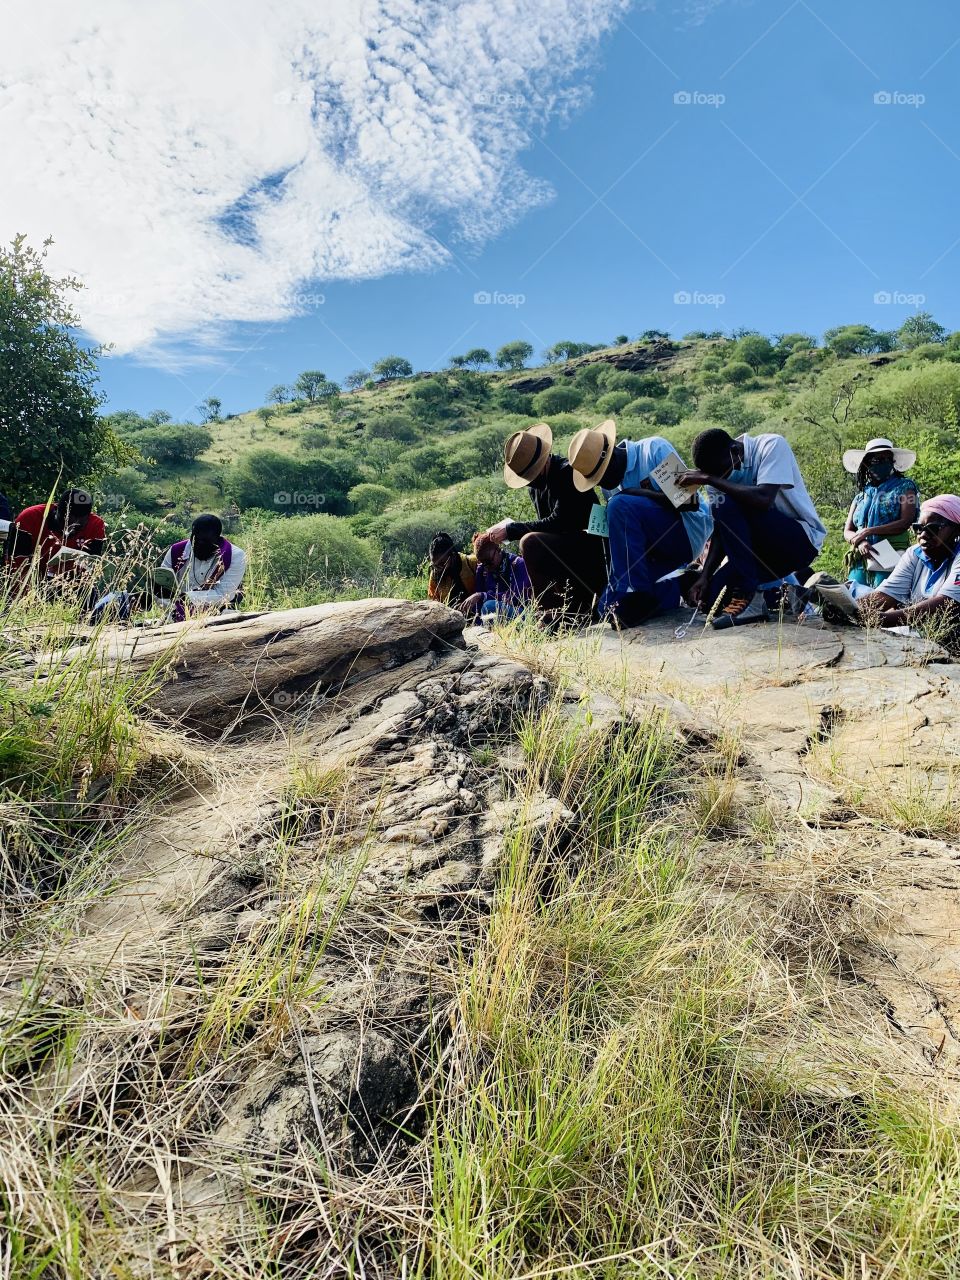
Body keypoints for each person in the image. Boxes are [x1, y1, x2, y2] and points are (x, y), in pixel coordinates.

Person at [679, 428, 827, 629]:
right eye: (713, 474)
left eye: (722, 471)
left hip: (798, 541)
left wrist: (709, 479)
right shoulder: (716, 474)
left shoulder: (771, 446)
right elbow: (723, 531)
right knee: (711, 599)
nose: (720, 477)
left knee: (724, 504)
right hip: (756, 553)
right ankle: (787, 596)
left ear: (735, 450)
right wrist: (705, 576)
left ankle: (750, 597)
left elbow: (764, 499)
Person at [567, 423, 712, 627]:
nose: (601, 485)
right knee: (606, 607)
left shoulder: (653, 450)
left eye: (601, 478)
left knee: (618, 504)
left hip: (687, 533)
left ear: (612, 459)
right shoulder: (612, 483)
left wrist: (634, 492)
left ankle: (637, 594)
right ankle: (678, 582)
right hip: (654, 550)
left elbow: (690, 502)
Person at [483, 423, 607, 621]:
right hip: (567, 552)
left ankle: (550, 612)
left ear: (543, 462)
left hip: (591, 550)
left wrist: (512, 530)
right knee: (534, 543)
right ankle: (559, 608)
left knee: (530, 542)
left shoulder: (567, 474)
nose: (530, 482)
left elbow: (559, 522)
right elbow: (548, 528)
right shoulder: (536, 486)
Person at [808, 496, 960, 641]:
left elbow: (946, 604)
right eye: (918, 528)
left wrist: (877, 618)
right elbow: (886, 596)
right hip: (922, 631)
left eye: (933, 528)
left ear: (956, 531)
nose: (923, 535)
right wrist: (849, 610)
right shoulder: (914, 554)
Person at [841, 437, 919, 590]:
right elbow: (848, 530)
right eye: (877, 459)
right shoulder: (861, 495)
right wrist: (861, 541)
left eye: (887, 458)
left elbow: (906, 521)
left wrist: (869, 531)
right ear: (867, 464)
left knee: (883, 596)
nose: (883, 462)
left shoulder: (905, 487)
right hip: (861, 553)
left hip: (891, 552)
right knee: (854, 594)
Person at [10, 488, 106, 584]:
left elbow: (91, 565)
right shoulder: (29, 518)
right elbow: (16, 561)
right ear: (57, 512)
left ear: (88, 517)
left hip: (71, 583)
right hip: (28, 579)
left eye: (79, 526)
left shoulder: (95, 525)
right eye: (68, 523)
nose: (72, 528)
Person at [162, 514, 247, 621]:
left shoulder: (235, 556)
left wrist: (187, 598)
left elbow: (223, 595)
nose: (199, 545)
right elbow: (162, 585)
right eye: (196, 540)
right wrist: (171, 607)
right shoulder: (176, 551)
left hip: (218, 613)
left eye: (205, 542)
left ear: (217, 539)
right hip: (175, 611)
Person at [461, 531, 532, 621]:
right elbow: (478, 605)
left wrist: (483, 595)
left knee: (489, 606)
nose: (486, 567)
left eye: (488, 562)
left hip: (522, 614)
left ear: (498, 550)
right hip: (495, 616)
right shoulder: (482, 570)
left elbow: (514, 597)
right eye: (482, 563)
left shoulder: (518, 564)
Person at [427, 531, 478, 609]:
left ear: (453, 556)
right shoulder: (435, 574)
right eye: (435, 565)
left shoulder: (472, 563)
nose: (438, 568)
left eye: (442, 564)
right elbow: (433, 603)